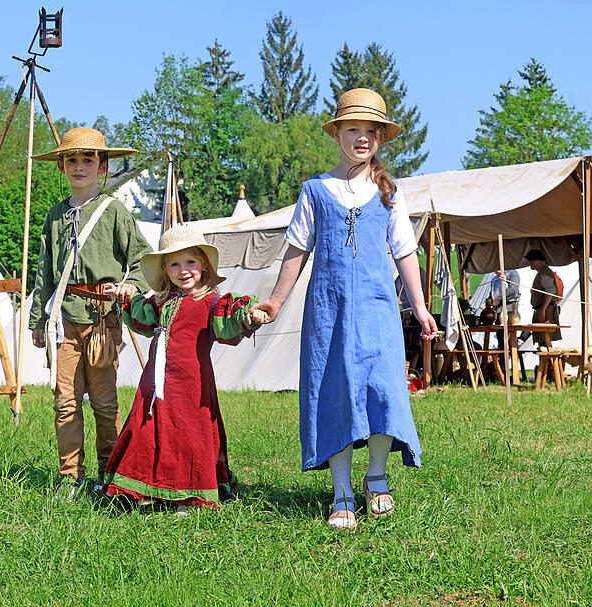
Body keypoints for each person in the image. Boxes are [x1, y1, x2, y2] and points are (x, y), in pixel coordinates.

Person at [252, 88, 438, 530]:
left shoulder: (389, 192)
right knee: (333, 392)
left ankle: (376, 477)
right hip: (328, 313)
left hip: (378, 311)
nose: (361, 138)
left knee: (382, 390)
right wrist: (275, 300)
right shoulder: (316, 190)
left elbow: (404, 251)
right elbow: (297, 249)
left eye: (370, 131)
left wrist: (419, 305)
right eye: (352, 129)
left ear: (380, 138)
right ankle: (341, 494)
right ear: (337, 134)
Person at [102, 226, 267, 514]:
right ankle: (148, 487)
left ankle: (189, 495)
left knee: (188, 435)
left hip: (191, 386)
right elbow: (142, 320)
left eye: (190, 262)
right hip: (155, 383)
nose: (183, 270)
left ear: (204, 265)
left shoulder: (212, 303)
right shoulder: (160, 302)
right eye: (174, 264)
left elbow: (230, 321)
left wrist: (249, 315)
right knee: (148, 431)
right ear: (166, 271)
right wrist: (124, 296)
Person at [28, 127, 152, 500]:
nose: (79, 166)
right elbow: (45, 272)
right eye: (72, 160)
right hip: (64, 318)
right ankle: (71, 477)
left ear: (102, 166)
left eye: (87, 159)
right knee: (65, 400)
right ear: (62, 167)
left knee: (104, 402)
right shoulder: (54, 216)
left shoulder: (114, 211)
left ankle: (108, 475)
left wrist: (132, 286)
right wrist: (38, 320)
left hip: (103, 319)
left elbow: (143, 259)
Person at [524, 249, 562, 342]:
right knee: (542, 340)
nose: (530, 263)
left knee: (545, 340)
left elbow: (550, 291)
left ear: (538, 260)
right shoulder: (542, 272)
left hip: (546, 310)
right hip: (543, 309)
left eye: (532, 260)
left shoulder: (545, 272)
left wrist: (542, 310)